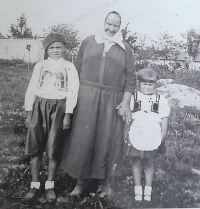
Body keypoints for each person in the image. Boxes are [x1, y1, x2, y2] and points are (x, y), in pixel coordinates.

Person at [59, 11, 136, 197]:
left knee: (108, 138)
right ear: (104, 23)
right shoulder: (88, 41)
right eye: (109, 24)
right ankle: (81, 181)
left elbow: (130, 78)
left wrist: (125, 102)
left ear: (120, 27)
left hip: (112, 99)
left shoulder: (125, 48)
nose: (111, 28)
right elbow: (76, 69)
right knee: (84, 137)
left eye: (116, 25)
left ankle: (105, 181)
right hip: (87, 96)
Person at [24, 32, 79, 203]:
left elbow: (73, 91)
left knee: (53, 149)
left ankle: (50, 186)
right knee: (35, 148)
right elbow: (32, 88)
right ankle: (34, 185)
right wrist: (28, 111)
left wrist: (68, 114)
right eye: (52, 47)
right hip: (39, 107)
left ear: (64, 48)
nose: (55, 50)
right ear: (46, 49)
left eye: (59, 47)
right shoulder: (40, 66)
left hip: (59, 108)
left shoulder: (69, 67)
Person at [119, 68, 170, 205]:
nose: (147, 87)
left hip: (152, 134)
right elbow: (125, 112)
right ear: (139, 84)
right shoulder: (134, 97)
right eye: (144, 84)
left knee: (149, 163)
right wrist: (121, 111)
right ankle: (138, 191)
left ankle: (148, 191)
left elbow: (164, 118)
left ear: (155, 85)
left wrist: (163, 135)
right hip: (137, 133)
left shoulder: (160, 99)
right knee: (135, 162)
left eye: (150, 84)